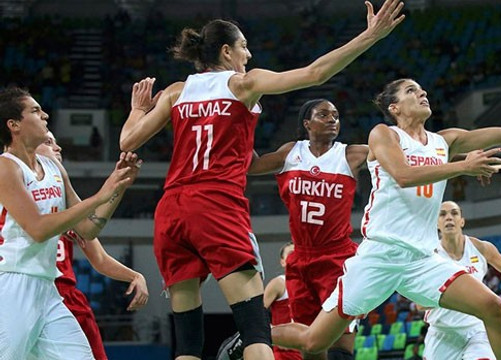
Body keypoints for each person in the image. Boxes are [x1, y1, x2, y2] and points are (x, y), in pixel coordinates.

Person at [118, 3, 405, 360]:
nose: (249, 53)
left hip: (171, 210)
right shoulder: (243, 83)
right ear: (227, 51)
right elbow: (315, 74)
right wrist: (370, 36)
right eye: (244, 46)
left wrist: (136, 110)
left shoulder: (177, 91)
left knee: (188, 339)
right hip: (216, 205)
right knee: (255, 328)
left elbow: (127, 142)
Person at [265, 78, 501, 360]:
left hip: (422, 258)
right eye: (411, 91)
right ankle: (253, 336)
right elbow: (404, 174)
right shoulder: (384, 134)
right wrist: (463, 167)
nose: (421, 93)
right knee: (315, 342)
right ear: (394, 107)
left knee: (493, 306)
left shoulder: (445, 141)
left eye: (422, 89)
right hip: (379, 255)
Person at [0, 87, 140, 359]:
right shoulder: (6, 167)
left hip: (47, 287)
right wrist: (101, 194)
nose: (45, 115)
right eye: (36, 111)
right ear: (14, 124)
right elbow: (39, 229)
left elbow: (87, 228)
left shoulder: (54, 169)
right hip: (11, 284)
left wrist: (117, 187)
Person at [247, 98, 367, 360]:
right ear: (306, 123)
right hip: (300, 259)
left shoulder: (350, 154)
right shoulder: (292, 152)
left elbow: (404, 155)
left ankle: (252, 335)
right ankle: (249, 337)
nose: (332, 119)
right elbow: (251, 165)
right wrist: (239, 122)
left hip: (338, 257)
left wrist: (463, 160)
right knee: (310, 347)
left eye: (336, 115)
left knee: (340, 344)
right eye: (323, 115)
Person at [36, 131, 149, 360]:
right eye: (48, 142)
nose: (58, 148)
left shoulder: (62, 194)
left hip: (63, 296)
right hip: (21, 289)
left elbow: (95, 246)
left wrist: (118, 186)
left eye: (57, 142)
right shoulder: (10, 181)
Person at [422, 201, 501, 360]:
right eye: (442, 214)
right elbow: (420, 303)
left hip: (478, 329)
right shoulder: (428, 255)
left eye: (454, 213)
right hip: (442, 332)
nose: (449, 218)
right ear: (436, 223)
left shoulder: (480, 248)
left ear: (462, 221)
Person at [263, 243, 302, 360]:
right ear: (283, 262)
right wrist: (275, 335)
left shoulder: (314, 286)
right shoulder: (279, 283)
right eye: (290, 254)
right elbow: (255, 317)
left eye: (298, 254)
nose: (295, 257)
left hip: (310, 351)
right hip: (285, 354)